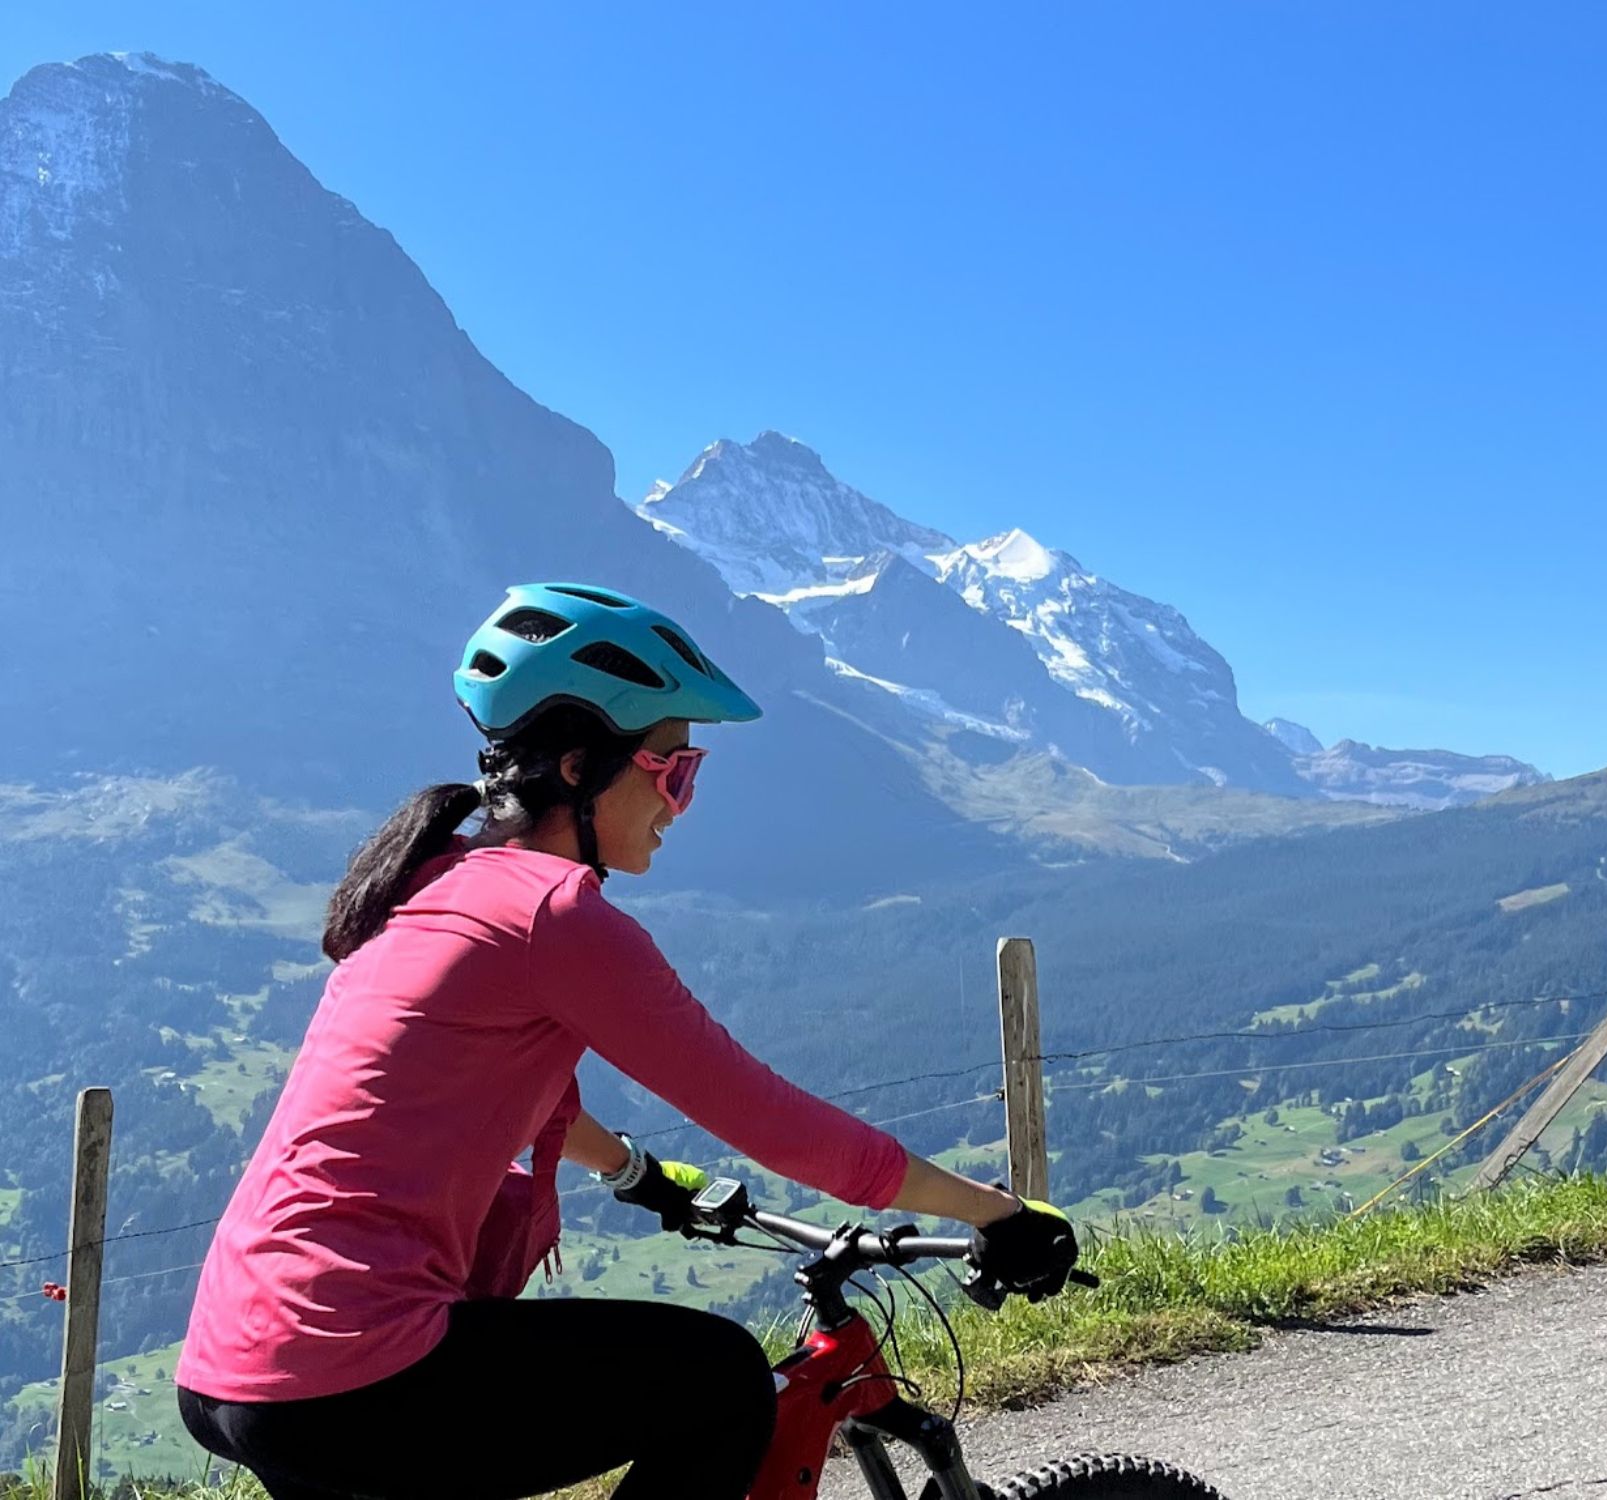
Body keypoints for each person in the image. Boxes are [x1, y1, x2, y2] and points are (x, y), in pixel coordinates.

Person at [176, 582, 1078, 1500]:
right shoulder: (555, 916)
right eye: (672, 770)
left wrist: (636, 1175)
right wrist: (993, 1215)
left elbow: (501, 1083)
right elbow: (772, 1123)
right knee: (721, 1380)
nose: (683, 803)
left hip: (234, 1355)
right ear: (579, 767)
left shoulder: (442, 882)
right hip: (350, 1363)